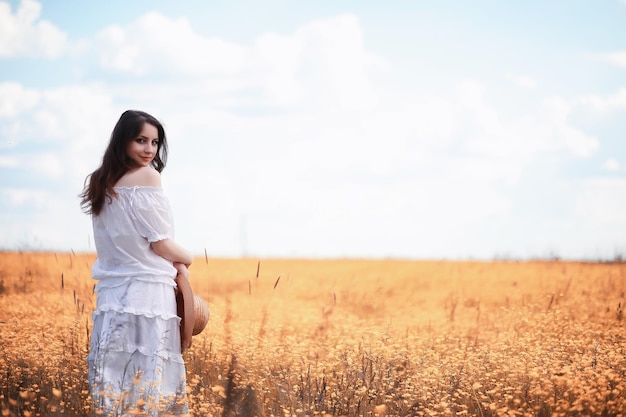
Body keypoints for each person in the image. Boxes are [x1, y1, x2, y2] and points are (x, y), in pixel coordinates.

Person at [80, 110, 193, 416]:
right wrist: (187, 258)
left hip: (112, 295)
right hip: (148, 294)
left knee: (113, 380)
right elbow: (160, 243)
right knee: (150, 378)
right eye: (140, 140)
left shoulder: (99, 181)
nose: (149, 150)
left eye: (155, 143)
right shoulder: (148, 177)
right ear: (123, 141)